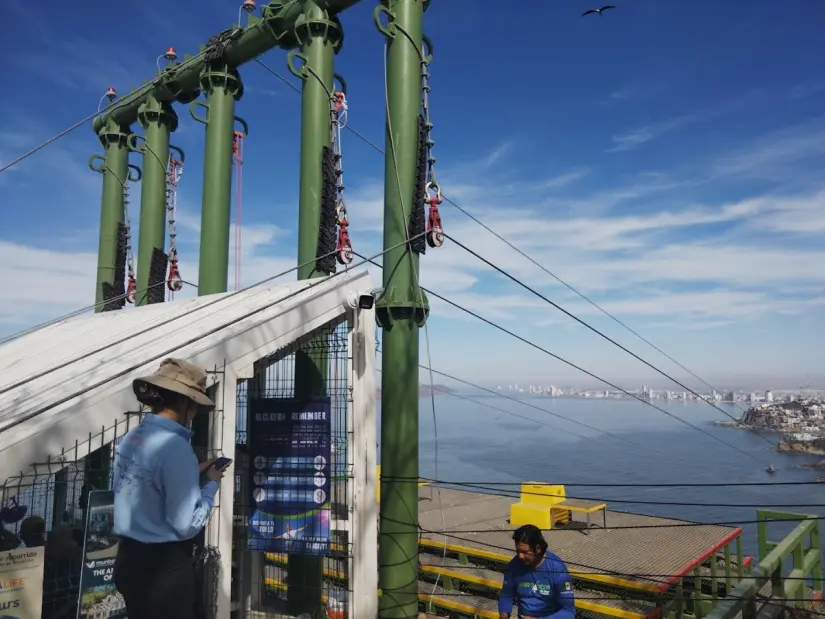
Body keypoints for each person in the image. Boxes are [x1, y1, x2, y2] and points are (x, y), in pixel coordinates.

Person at [112, 358, 228, 619]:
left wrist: (192, 471)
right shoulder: (176, 448)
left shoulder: (133, 437)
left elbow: (140, 481)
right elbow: (185, 524)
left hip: (129, 559)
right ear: (186, 403)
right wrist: (210, 484)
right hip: (163, 569)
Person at [498, 524, 575, 619]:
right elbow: (506, 595)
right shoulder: (514, 565)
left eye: (525, 552)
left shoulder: (558, 569)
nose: (520, 556)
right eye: (518, 551)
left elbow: (569, 612)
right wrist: (504, 614)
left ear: (538, 549)